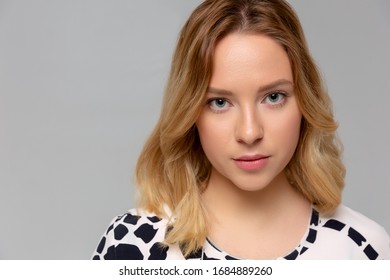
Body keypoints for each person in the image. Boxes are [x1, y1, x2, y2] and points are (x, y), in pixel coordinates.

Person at [92, 0, 390, 260]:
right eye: (220, 102)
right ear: (190, 112)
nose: (249, 132)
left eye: (274, 97)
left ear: (305, 103)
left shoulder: (364, 249)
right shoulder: (134, 246)